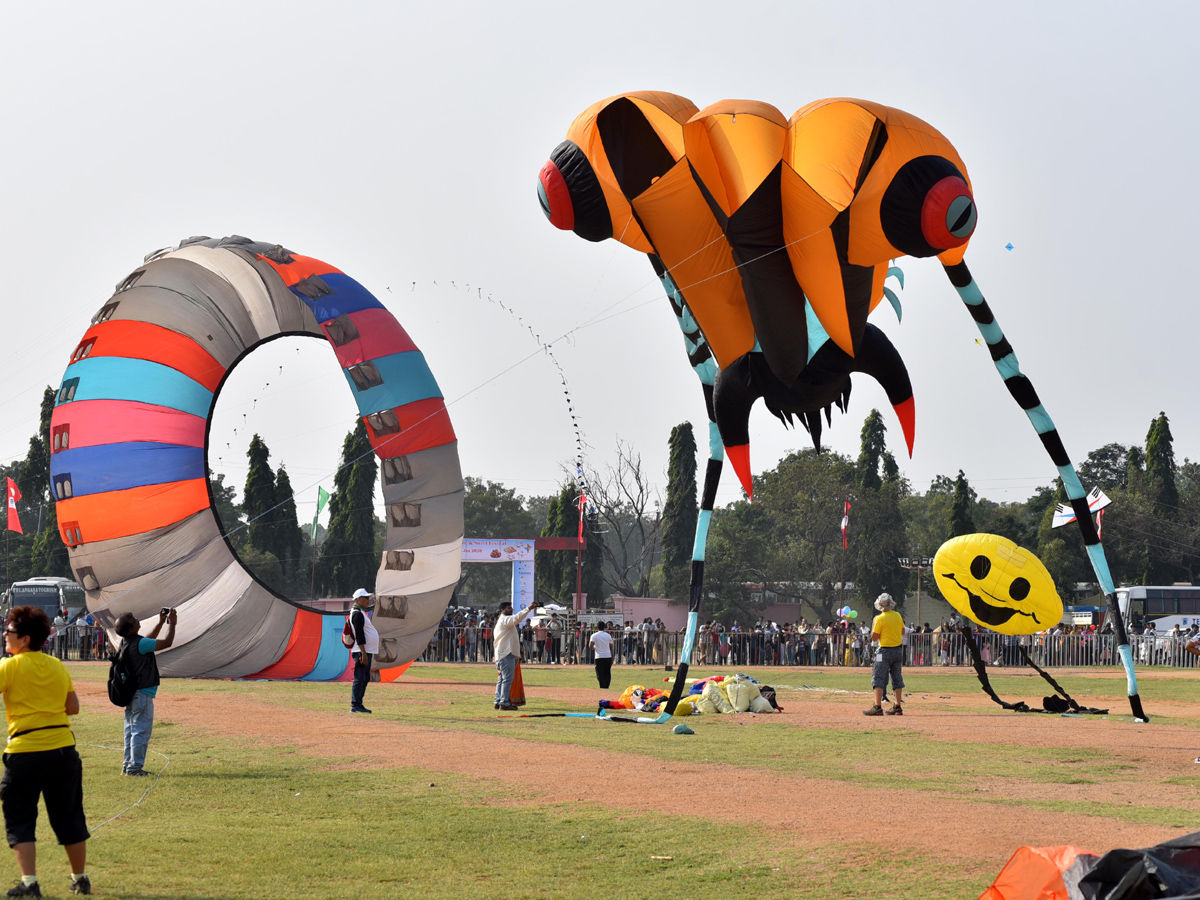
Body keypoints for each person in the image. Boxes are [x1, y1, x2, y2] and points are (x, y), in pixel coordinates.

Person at [1, 607, 91, 896]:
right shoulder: (56, 665)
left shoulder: (9, 666)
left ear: (24, 639)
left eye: (10, 631)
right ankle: (80, 878)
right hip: (63, 751)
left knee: (20, 817)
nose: (5, 634)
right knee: (69, 816)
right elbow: (73, 708)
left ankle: (30, 883)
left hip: (25, 751)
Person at [112, 607, 176, 776]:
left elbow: (148, 640)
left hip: (130, 693)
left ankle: (128, 765)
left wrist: (161, 622)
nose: (136, 620)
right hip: (142, 693)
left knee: (130, 731)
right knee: (141, 731)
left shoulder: (126, 642)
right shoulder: (140, 643)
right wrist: (172, 624)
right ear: (131, 629)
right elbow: (167, 642)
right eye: (133, 620)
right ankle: (135, 768)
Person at [863, 593, 905, 717]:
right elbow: (902, 631)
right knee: (897, 677)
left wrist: (874, 624)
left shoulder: (879, 618)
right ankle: (897, 706)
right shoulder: (897, 615)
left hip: (884, 651)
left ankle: (877, 706)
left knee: (878, 677)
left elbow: (874, 637)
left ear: (880, 604)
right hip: (898, 651)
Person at [493, 600, 536, 710]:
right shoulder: (505, 619)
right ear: (502, 610)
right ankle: (504, 702)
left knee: (502, 679)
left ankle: (498, 701)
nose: (511, 609)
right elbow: (517, 618)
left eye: (511, 608)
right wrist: (529, 608)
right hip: (506, 654)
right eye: (508, 608)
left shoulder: (502, 621)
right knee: (507, 679)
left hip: (502, 654)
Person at [348, 589, 377, 713]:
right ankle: (355, 705)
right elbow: (359, 635)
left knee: (364, 678)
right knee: (360, 678)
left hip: (365, 650)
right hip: (361, 651)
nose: (368, 600)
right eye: (366, 598)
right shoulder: (357, 614)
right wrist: (363, 653)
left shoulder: (359, 612)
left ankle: (359, 703)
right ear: (359, 599)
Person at [589, 622, 614, 688]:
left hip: (599, 656)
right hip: (607, 656)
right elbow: (611, 646)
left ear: (597, 627)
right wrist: (611, 653)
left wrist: (594, 648)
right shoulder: (608, 635)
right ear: (604, 627)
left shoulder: (594, 635)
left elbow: (590, 645)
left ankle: (602, 686)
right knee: (607, 672)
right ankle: (607, 685)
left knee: (600, 673)